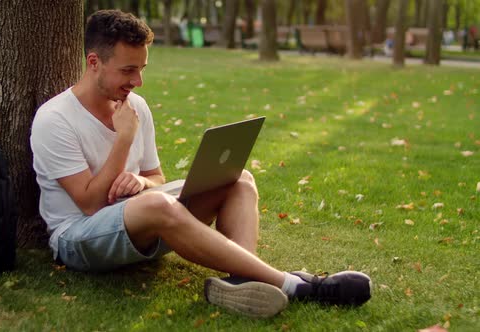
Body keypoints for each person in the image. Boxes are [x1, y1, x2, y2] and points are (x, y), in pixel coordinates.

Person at [30, 9, 372, 318]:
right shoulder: (55, 119)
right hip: (77, 239)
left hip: (140, 217)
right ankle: (295, 285)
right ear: (94, 62)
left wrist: (142, 183)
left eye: (141, 69)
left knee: (237, 179)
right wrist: (123, 139)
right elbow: (89, 204)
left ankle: (240, 282)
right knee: (157, 204)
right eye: (128, 70)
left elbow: (155, 177)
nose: (137, 82)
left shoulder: (136, 107)